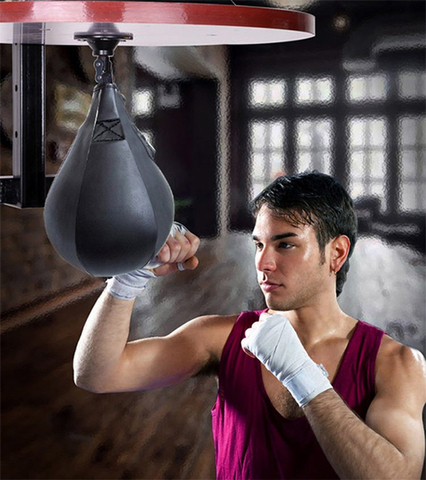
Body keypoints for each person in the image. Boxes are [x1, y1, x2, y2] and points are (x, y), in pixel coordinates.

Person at [74, 171, 426, 479]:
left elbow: (396, 476)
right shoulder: (223, 337)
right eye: (259, 244)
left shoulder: (394, 364)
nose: (264, 263)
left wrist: (303, 376)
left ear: (336, 253)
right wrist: (128, 278)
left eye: (285, 244)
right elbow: (97, 374)